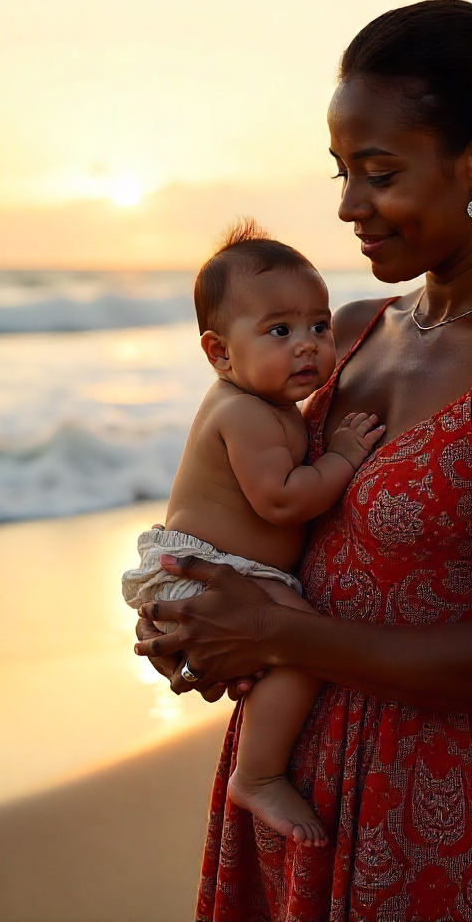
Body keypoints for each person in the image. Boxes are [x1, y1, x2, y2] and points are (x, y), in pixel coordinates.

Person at [135, 0, 472, 922]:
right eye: (341, 172)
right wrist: (192, 622)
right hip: (283, 773)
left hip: (421, 802)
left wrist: (276, 634)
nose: (349, 206)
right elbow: (262, 517)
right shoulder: (354, 335)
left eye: (379, 172)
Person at [122, 222, 385, 848]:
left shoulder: (266, 402)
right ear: (219, 353)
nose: (308, 347)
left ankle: (260, 764)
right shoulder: (242, 412)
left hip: (226, 570)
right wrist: (344, 459)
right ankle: (258, 774)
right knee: (304, 644)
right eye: (279, 331)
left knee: (294, 640)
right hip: (201, 571)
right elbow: (282, 500)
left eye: (319, 327)